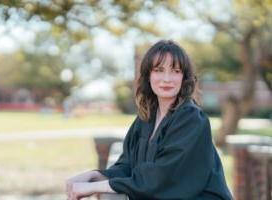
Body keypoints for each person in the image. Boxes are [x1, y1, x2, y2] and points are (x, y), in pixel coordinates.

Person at [66, 40, 233, 200]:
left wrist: (96, 187)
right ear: (148, 75)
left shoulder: (192, 119)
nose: (167, 79)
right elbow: (128, 166)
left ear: (184, 78)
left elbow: (161, 178)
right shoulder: (146, 118)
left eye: (175, 71)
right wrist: (95, 175)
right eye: (159, 70)